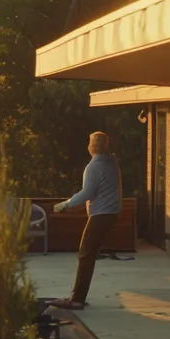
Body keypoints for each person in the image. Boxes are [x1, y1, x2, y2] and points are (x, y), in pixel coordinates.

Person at [50, 131, 122, 309]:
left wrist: (66, 204)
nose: (89, 145)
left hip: (101, 215)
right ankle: (79, 296)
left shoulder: (95, 165)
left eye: (90, 142)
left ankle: (77, 300)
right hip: (110, 213)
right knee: (88, 254)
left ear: (92, 146)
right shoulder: (111, 162)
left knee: (85, 254)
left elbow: (88, 193)